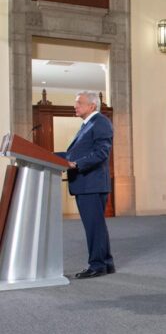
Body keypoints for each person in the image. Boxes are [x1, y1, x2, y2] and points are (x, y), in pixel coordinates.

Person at [58, 91, 115, 279]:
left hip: (92, 183)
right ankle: (105, 263)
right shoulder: (88, 124)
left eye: (79, 103)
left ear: (92, 106)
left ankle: (97, 265)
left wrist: (77, 164)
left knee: (94, 226)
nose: (75, 106)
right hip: (86, 183)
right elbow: (76, 153)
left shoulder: (100, 122)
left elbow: (101, 152)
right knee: (96, 226)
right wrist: (54, 157)